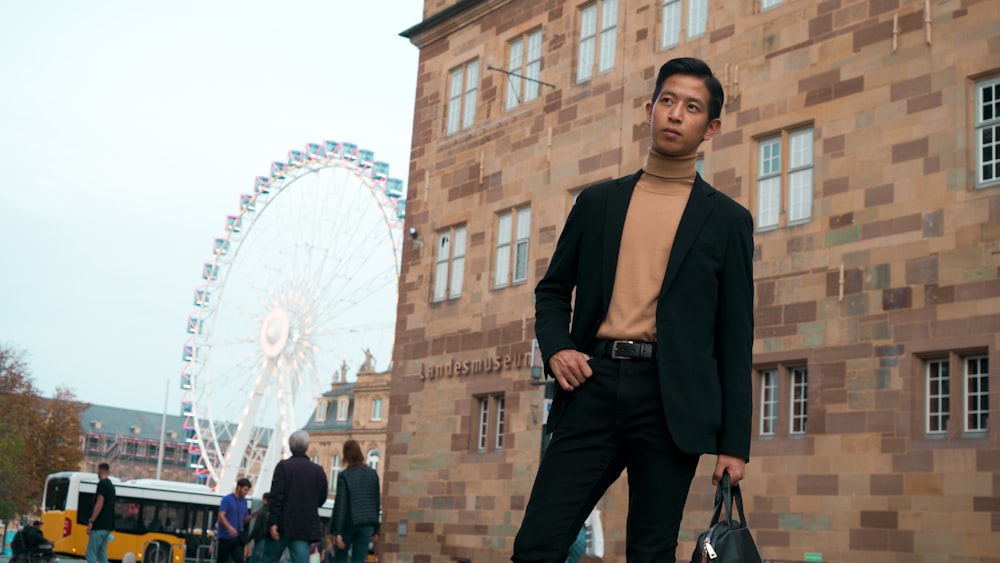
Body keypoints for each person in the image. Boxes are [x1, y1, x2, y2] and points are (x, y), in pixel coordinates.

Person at [511, 57, 754, 563]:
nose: (674, 114)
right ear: (649, 110)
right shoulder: (598, 203)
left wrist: (734, 445)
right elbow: (552, 290)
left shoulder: (728, 221)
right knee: (537, 544)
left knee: (650, 551)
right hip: (591, 386)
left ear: (711, 128)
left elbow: (735, 338)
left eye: (691, 107)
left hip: (671, 405)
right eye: (667, 101)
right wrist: (557, 348)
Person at [264, 431, 328, 563]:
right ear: (307, 446)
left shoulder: (283, 467)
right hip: (304, 526)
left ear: (290, 446)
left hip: (282, 524)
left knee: (269, 558)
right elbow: (322, 498)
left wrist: (273, 522)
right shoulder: (318, 471)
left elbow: (276, 497)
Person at [329, 440, 380, 563]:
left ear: (346, 456)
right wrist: (375, 529)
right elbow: (376, 502)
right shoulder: (373, 474)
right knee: (359, 559)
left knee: (340, 558)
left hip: (348, 524)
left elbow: (341, 505)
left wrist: (337, 531)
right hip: (367, 523)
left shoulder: (344, 476)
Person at [86, 463, 117, 563]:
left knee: (90, 553)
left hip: (99, 525)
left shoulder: (102, 484)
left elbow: (99, 504)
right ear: (108, 472)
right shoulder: (111, 486)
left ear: (99, 472)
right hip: (108, 526)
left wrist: (91, 521)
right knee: (101, 554)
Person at [217, 478, 253, 563]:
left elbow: (243, 520)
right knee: (222, 560)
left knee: (239, 559)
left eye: (248, 490)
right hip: (225, 536)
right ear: (239, 487)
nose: (246, 492)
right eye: (245, 490)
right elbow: (221, 515)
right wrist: (229, 528)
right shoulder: (227, 499)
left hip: (238, 537)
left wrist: (251, 516)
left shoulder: (244, 501)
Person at [246, 493, 271, 563]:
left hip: (260, 539)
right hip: (269, 540)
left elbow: (256, 527)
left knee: (255, 559)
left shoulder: (262, 511)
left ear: (264, 500)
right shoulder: (273, 511)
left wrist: (249, 539)